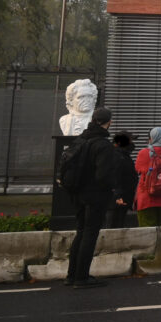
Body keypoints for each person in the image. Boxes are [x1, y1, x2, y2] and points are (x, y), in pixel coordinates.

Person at [66, 108, 126, 288]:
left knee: (81, 231)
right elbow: (103, 176)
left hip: (77, 193)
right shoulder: (102, 145)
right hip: (95, 196)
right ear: (109, 122)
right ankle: (82, 277)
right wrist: (113, 188)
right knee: (90, 234)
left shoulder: (81, 139)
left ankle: (71, 275)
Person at [134, 127, 161, 226]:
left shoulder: (143, 153)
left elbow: (138, 169)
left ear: (152, 138)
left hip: (146, 198)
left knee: (146, 230)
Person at [109, 132, 138, 229]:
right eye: (129, 141)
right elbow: (114, 177)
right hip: (117, 201)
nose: (132, 143)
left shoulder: (124, 155)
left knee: (119, 225)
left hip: (123, 198)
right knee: (113, 226)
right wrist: (117, 196)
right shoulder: (116, 156)